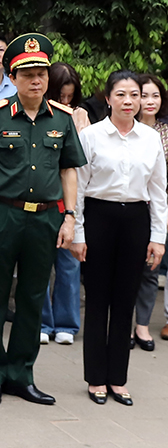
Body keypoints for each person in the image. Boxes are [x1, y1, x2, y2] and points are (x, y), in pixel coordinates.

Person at [0, 33, 87, 407]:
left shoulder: (63, 120)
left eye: (41, 74)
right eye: (27, 74)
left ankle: (21, 374)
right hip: (3, 216)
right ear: (14, 78)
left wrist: (69, 218)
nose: (36, 80)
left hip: (45, 220)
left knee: (33, 298)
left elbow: (69, 172)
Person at [71, 70, 167, 405]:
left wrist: (158, 236)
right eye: (122, 95)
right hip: (99, 217)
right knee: (97, 300)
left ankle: (118, 379)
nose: (129, 102)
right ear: (108, 98)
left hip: (136, 220)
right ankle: (96, 378)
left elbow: (158, 190)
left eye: (135, 95)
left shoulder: (150, 138)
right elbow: (79, 189)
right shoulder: (92, 136)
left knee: (125, 299)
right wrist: (78, 233)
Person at [39, 61, 90, 346]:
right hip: (42, 196)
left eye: (70, 96)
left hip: (71, 197)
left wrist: (80, 129)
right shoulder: (37, 114)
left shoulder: (81, 115)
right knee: (41, 263)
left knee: (69, 261)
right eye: (61, 96)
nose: (66, 102)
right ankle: (43, 322)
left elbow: (84, 160)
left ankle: (67, 324)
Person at [133, 74, 168, 347]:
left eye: (155, 95)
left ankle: (142, 325)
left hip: (159, 207)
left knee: (150, 268)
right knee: (124, 269)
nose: (149, 101)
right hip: (129, 208)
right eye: (143, 95)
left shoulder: (165, 132)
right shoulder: (124, 129)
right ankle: (121, 324)